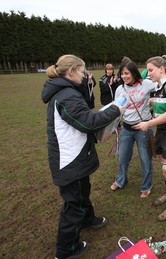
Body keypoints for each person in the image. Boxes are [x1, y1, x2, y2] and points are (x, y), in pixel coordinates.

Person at [41, 54, 123, 258]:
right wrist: (115, 110)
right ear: (71, 72)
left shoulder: (67, 91)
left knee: (82, 190)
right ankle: (66, 250)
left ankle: (87, 220)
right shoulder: (66, 95)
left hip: (76, 156)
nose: (85, 74)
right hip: (69, 160)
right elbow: (88, 122)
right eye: (81, 71)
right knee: (73, 204)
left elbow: (83, 116)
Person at [134, 55, 166, 221]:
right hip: (161, 129)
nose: (148, 73)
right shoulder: (157, 85)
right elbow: (140, 78)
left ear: (161, 69)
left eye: (151, 70)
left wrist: (148, 124)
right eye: (147, 70)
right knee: (164, 165)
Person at [110, 60, 155, 198]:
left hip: (143, 128)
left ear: (134, 73)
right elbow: (116, 109)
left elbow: (162, 85)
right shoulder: (119, 89)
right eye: (122, 74)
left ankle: (146, 186)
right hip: (126, 128)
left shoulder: (146, 84)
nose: (123, 76)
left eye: (126, 73)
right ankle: (120, 180)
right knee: (123, 157)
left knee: (145, 158)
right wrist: (113, 127)